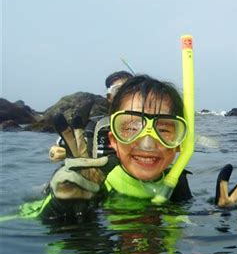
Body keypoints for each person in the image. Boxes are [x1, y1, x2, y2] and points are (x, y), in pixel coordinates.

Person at [39, 75, 193, 222]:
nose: (148, 144)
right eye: (132, 128)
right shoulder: (94, 183)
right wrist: (58, 207)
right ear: (113, 140)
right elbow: (26, 215)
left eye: (164, 130)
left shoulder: (177, 183)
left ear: (179, 143)